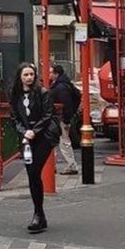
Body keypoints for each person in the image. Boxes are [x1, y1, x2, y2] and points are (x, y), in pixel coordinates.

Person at [10, 62, 60, 233]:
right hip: (26, 137)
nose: (29, 77)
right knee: (32, 172)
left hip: (44, 135)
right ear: (20, 77)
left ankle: (38, 214)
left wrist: (34, 131)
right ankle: (39, 214)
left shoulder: (42, 92)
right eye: (26, 75)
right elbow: (14, 117)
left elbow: (48, 115)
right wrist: (25, 132)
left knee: (34, 170)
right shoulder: (15, 94)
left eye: (31, 74)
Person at [49, 63, 80, 175]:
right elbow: (77, 95)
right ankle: (55, 165)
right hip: (60, 118)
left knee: (64, 142)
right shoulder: (65, 84)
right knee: (61, 142)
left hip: (61, 118)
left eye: (51, 72)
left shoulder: (60, 87)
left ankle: (72, 165)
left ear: (56, 74)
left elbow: (66, 104)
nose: (49, 74)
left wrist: (67, 119)